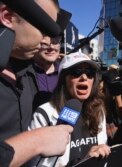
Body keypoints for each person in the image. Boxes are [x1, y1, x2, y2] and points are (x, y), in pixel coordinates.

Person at [0, 0, 73, 166]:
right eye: (43, 28)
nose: (48, 41)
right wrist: (36, 141)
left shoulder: (26, 75)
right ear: (7, 17)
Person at [29, 52, 111, 166]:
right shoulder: (44, 114)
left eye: (89, 73)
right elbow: (33, 164)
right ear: (63, 79)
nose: (84, 77)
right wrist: (84, 162)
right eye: (76, 72)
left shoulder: (99, 111)